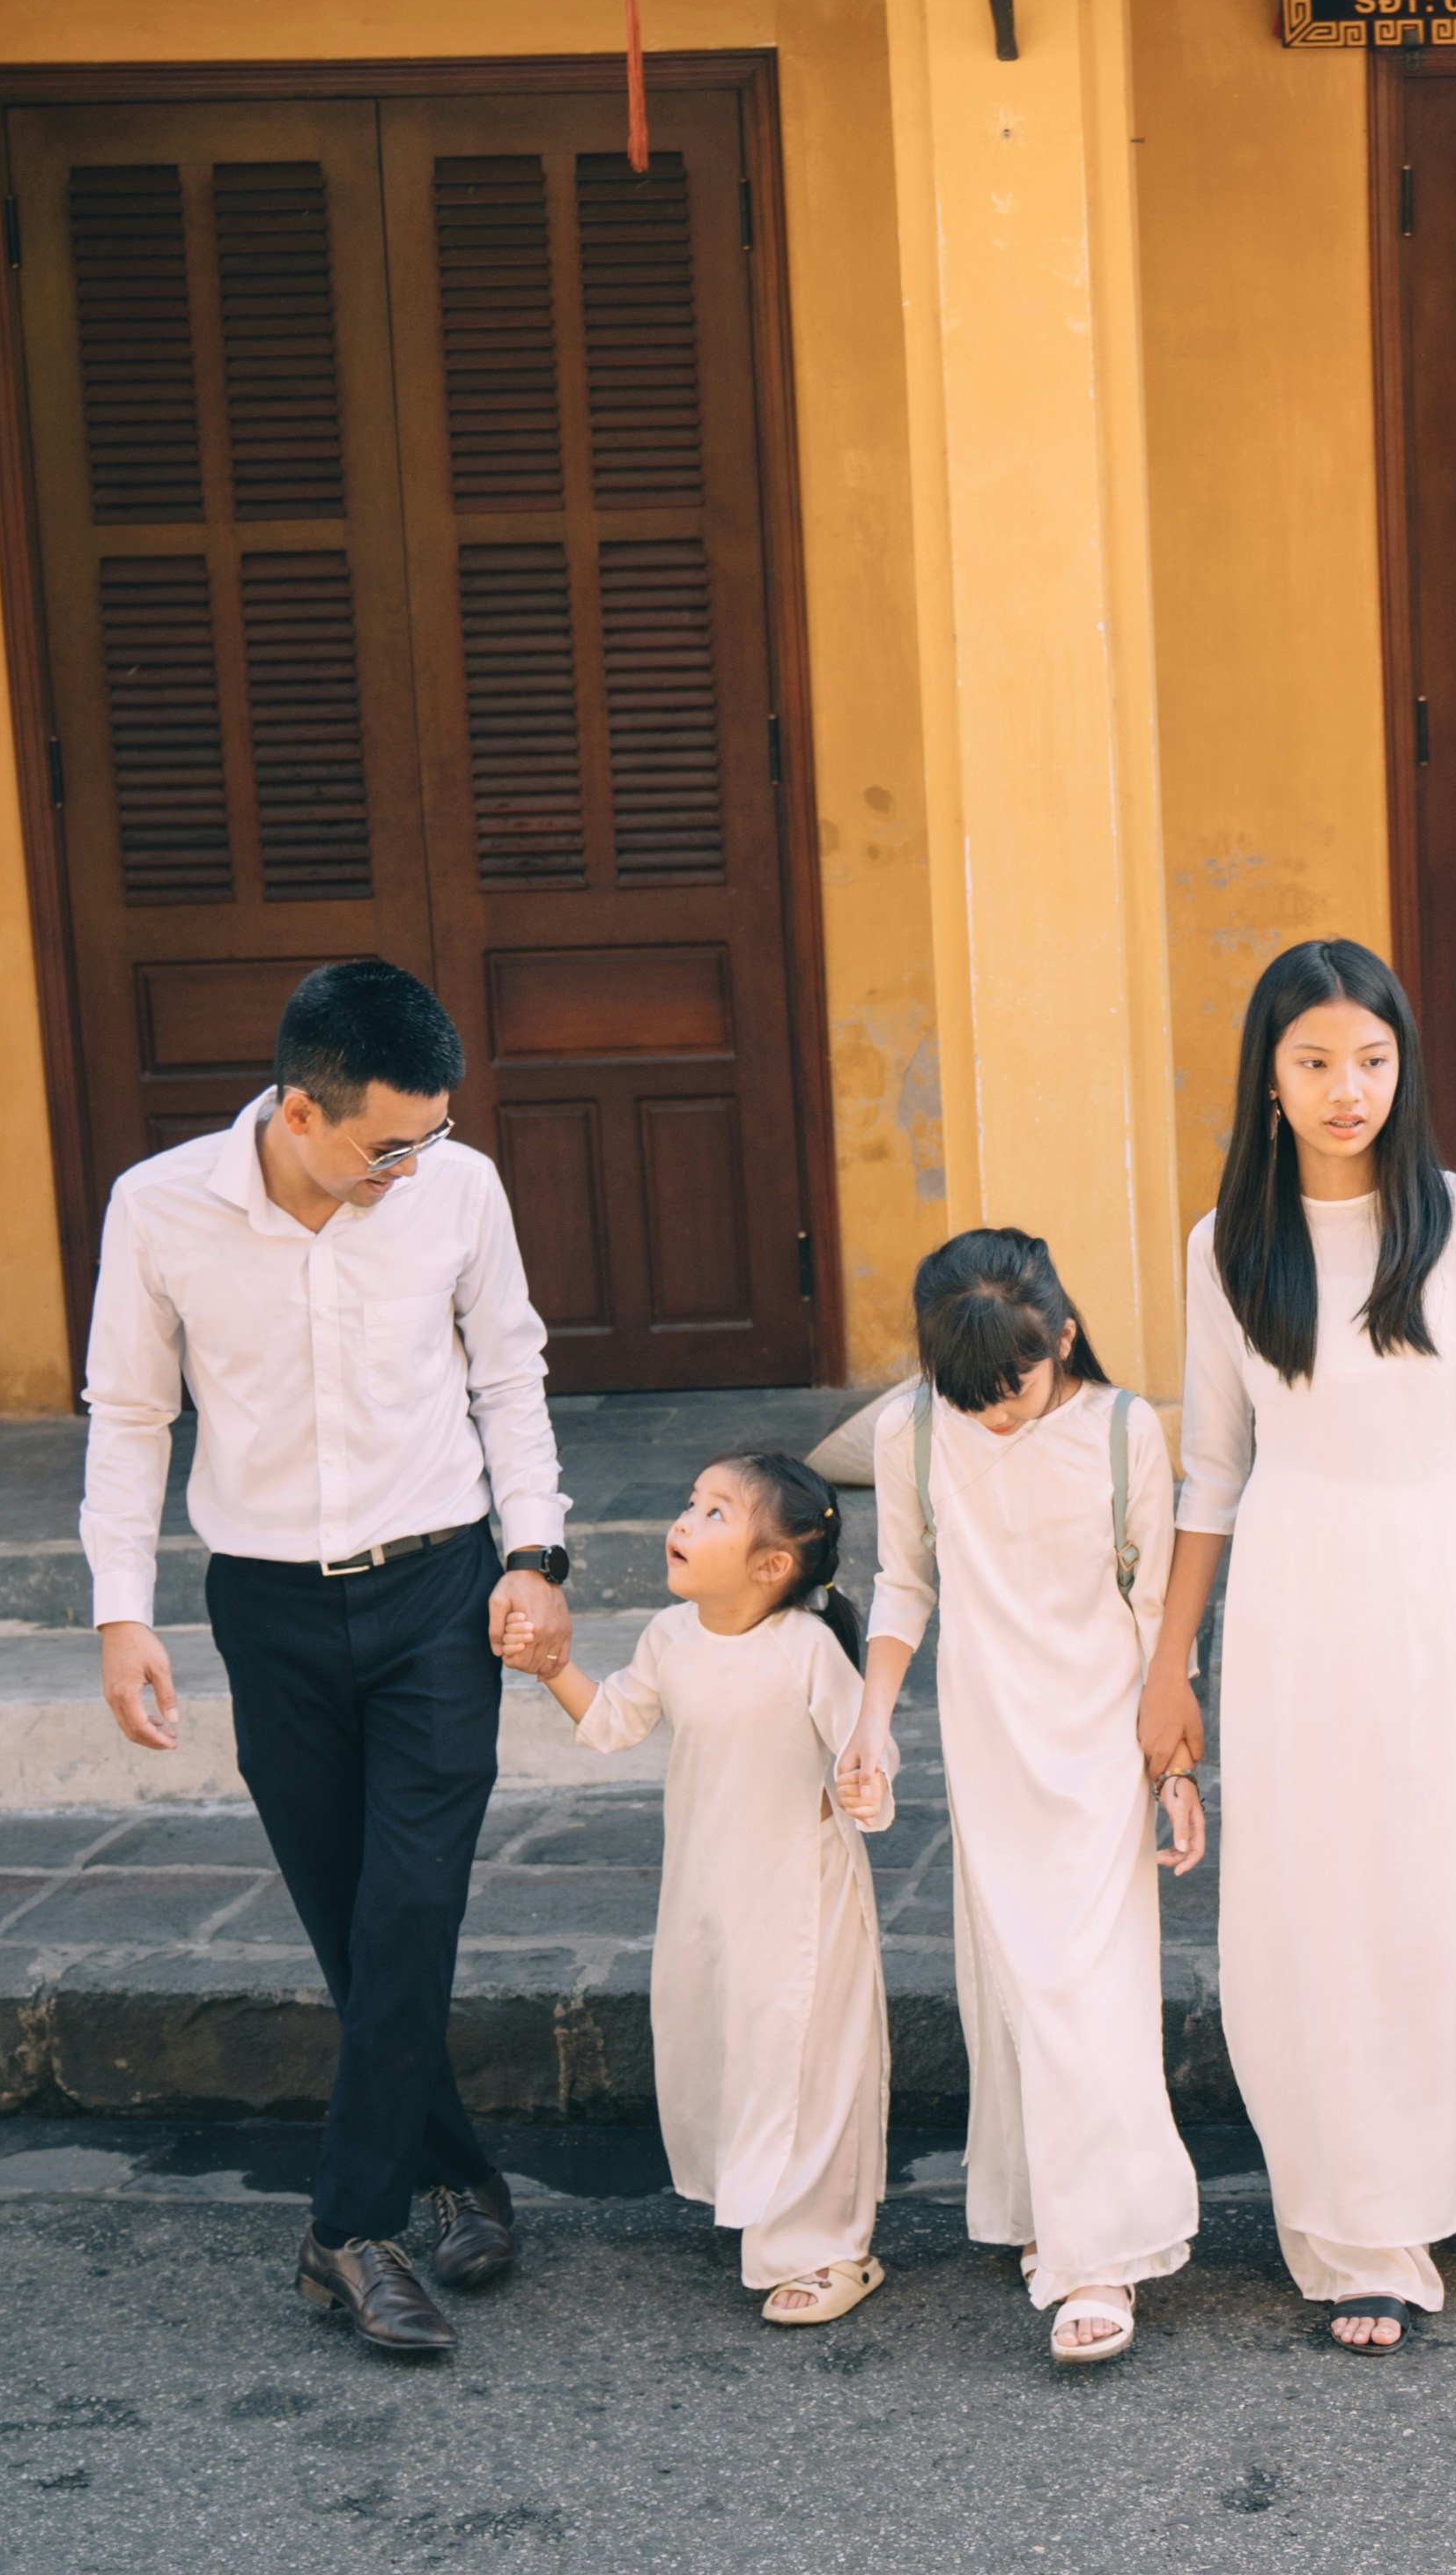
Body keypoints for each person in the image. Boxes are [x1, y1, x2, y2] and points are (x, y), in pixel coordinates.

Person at [85, 957, 572, 2361]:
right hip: (269, 1608)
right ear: (299, 1110)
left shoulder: (457, 1189)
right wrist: (123, 1609)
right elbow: (130, 1413)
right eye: (386, 1146)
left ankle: (346, 2230)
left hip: (439, 1591)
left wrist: (535, 1553)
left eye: (431, 1135)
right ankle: (459, 2172)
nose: (412, 1167)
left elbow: (510, 1371)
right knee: (351, 1920)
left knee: (410, 1905)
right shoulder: (158, 1206)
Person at [1142, 940, 1456, 2356]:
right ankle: (1359, 2222)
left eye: (1373, 1059)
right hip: (1293, 1600)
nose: (1348, 1088)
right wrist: (1170, 1661)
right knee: (1318, 1903)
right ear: (1269, 1081)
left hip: (1439, 1590)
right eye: (1315, 1062)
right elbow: (1211, 1471)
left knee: (1440, 1885)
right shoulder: (1224, 1244)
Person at [845, 1230, 1202, 2366]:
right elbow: (904, 1582)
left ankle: (1100, 2255)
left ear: (1065, 1336)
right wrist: (872, 1720)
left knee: (1085, 1987)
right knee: (1013, 1980)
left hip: (1100, 1743)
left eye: (1017, 1386)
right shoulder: (910, 1430)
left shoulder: (1123, 1429)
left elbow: (1157, 1608)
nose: (997, 1413)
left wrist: (1174, 1765)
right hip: (988, 1740)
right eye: (973, 1394)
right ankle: (1045, 2200)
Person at [515, 1454, 893, 2327]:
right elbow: (614, 1719)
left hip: (801, 1894)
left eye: (716, 1512)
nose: (684, 1520)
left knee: (806, 2059)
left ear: (773, 1565)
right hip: (711, 1886)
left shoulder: (804, 1649)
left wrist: (865, 1785)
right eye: (692, 1502)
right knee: (733, 2045)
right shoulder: (670, 1638)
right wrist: (549, 1665)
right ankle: (767, 2204)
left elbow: (865, 1750)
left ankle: (833, 2248)